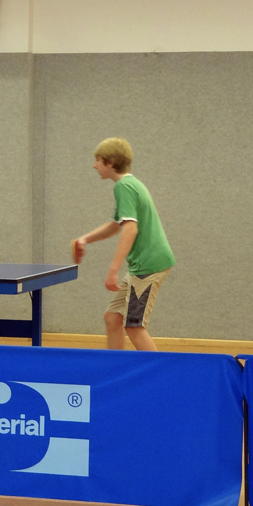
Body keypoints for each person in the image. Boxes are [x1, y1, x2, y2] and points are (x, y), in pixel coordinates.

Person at [72, 137, 175, 351]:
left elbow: (130, 229)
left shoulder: (124, 187)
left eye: (98, 160)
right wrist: (85, 239)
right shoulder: (130, 184)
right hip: (142, 265)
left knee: (134, 327)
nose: (94, 165)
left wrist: (113, 270)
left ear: (110, 163)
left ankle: (159, 371)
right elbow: (115, 225)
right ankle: (116, 366)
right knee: (112, 317)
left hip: (149, 266)